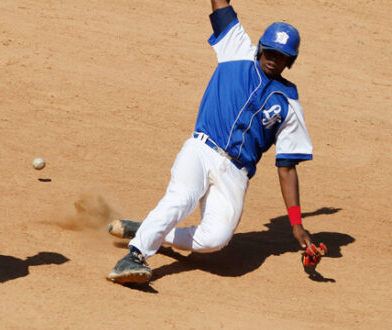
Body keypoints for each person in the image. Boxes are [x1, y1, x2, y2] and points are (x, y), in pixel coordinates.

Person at [107, 0, 317, 284]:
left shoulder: (289, 102)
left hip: (236, 173)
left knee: (214, 239)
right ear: (260, 47)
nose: (273, 58)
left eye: (281, 56)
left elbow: (287, 167)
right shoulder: (236, 49)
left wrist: (296, 224)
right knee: (181, 198)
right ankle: (134, 255)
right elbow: (221, 6)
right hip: (201, 150)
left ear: (289, 61)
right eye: (269, 50)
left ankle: (151, 230)